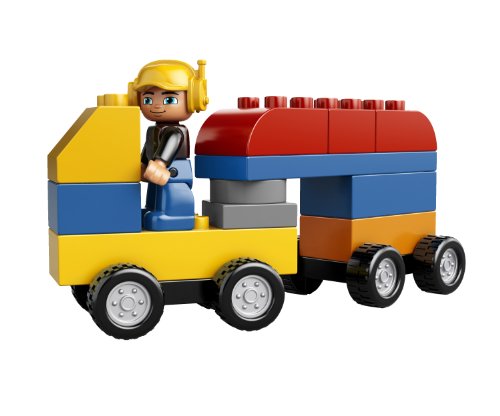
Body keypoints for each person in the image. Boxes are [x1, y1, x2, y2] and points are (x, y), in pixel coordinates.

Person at [130, 60, 209, 231]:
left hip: (175, 170)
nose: (157, 105)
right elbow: (149, 147)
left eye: (169, 99)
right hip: (157, 169)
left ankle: (174, 215)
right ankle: (153, 208)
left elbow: (171, 143)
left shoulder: (175, 131)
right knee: (154, 190)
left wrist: (160, 163)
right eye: (148, 99)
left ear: (193, 100)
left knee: (173, 190)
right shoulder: (153, 130)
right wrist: (143, 163)